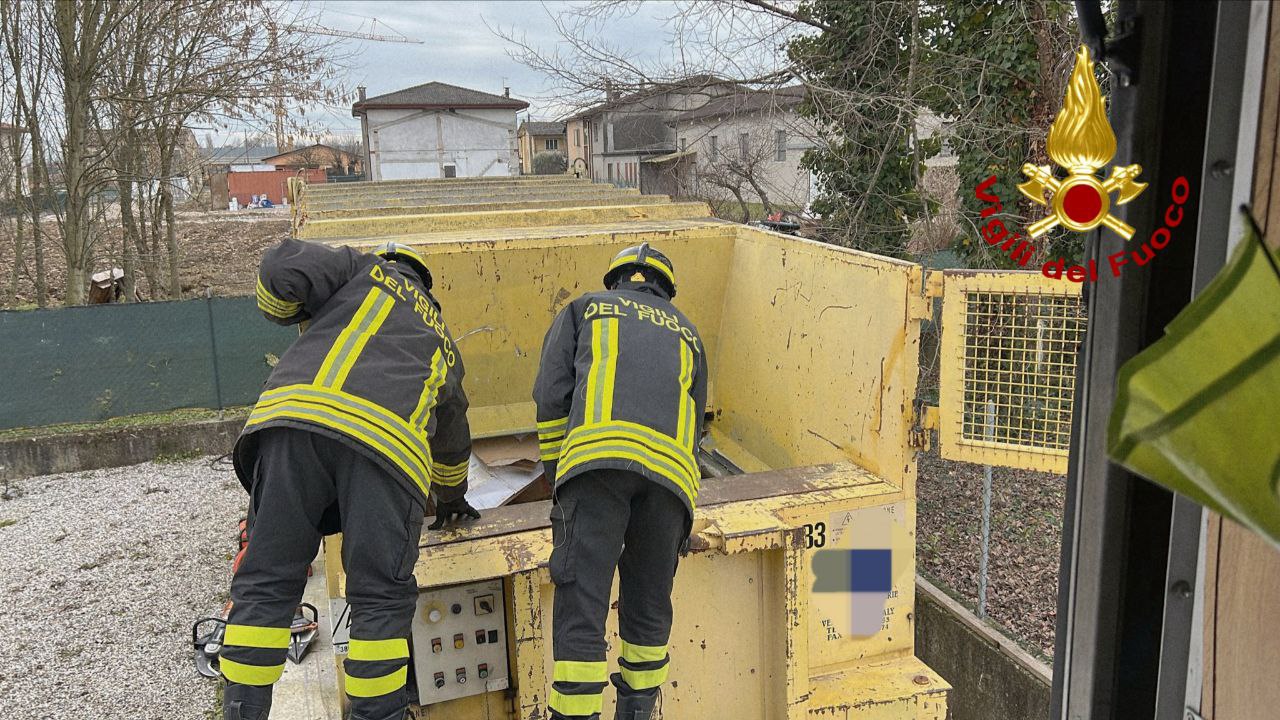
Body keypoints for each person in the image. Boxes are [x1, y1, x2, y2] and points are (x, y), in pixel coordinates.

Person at [223, 238, 480, 720]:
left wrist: (287, 313)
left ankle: (241, 710)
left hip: (290, 427)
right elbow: (452, 432)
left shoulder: (355, 272)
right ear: (426, 285)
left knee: (266, 581)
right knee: (379, 598)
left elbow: (279, 265)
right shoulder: (441, 338)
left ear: (389, 262)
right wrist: (451, 497)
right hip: (385, 450)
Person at [533, 243, 708, 720]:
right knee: (650, 608)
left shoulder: (585, 309)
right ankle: (636, 712)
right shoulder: (689, 334)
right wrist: (682, 510)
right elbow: (695, 425)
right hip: (671, 481)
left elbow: (551, 399)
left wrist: (558, 478)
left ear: (615, 280)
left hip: (596, 468)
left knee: (583, 603)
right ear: (665, 290)